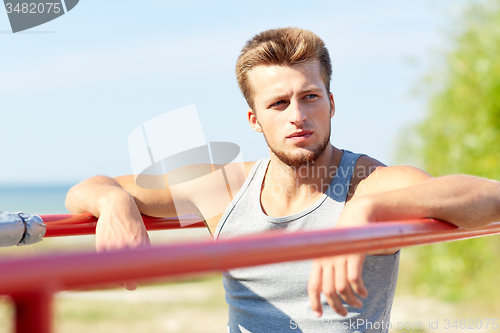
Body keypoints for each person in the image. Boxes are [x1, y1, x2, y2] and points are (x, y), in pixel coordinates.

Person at [65, 27, 500, 332]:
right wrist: (115, 204)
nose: (297, 116)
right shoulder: (223, 187)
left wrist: (366, 211)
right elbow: (90, 187)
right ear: (255, 120)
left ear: (331, 103)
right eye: (278, 104)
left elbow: (490, 196)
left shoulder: (370, 183)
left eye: (310, 97)